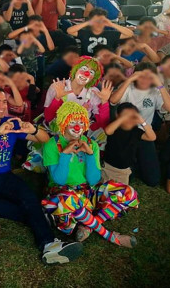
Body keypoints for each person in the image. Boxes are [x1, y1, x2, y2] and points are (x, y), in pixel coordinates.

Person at [0, 86, 83, 263]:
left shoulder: (12, 122)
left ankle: (49, 245)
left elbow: (45, 140)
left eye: (4, 102)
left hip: (5, 175)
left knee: (28, 197)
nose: (1, 106)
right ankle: (40, 217)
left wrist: (33, 130)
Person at [42, 102, 139, 248]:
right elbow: (59, 180)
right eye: (73, 122)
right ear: (63, 121)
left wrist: (89, 154)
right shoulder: (52, 144)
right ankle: (109, 235)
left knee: (128, 192)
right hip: (63, 194)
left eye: (81, 122)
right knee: (68, 200)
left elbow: (94, 179)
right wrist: (65, 155)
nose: (77, 127)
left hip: (87, 192)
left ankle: (87, 225)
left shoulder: (91, 144)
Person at [102, 103, 157, 185]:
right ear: (118, 116)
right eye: (125, 116)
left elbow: (152, 137)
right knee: (102, 189)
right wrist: (122, 118)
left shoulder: (136, 131)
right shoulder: (114, 127)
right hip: (107, 166)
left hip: (123, 170)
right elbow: (108, 131)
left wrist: (142, 122)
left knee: (120, 192)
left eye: (132, 117)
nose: (128, 120)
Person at [67, 8, 134, 55]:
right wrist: (88, 22)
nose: (99, 24)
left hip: (106, 62)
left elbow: (130, 34)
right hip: (88, 62)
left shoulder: (110, 34)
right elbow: (69, 31)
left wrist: (111, 24)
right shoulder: (85, 33)